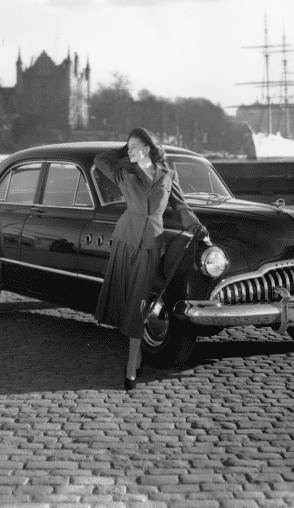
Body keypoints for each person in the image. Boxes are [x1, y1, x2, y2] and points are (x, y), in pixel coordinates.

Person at [93, 127, 208, 391]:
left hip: (151, 244)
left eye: (135, 147)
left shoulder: (167, 175)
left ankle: (131, 365)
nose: (130, 151)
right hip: (125, 238)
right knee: (125, 301)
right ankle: (137, 356)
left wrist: (195, 225)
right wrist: (126, 148)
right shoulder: (124, 171)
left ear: (147, 148)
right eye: (128, 147)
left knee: (139, 304)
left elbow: (182, 207)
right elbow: (101, 160)